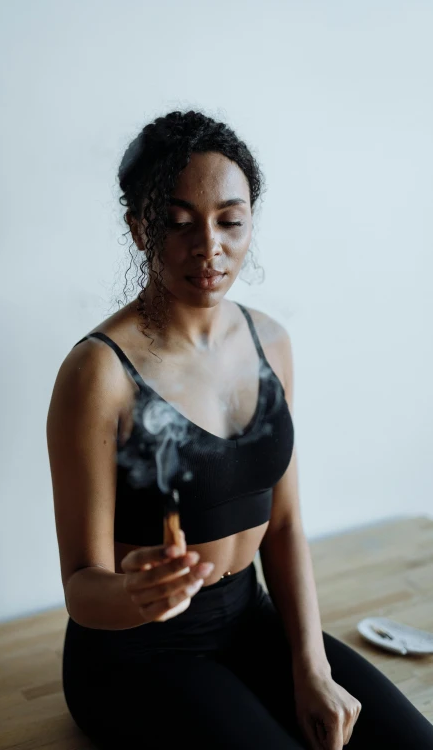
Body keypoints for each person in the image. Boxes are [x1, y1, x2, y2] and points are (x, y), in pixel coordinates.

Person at [46, 110, 433, 749]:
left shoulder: (270, 342)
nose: (209, 248)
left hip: (252, 621)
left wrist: (310, 667)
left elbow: (282, 526)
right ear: (140, 226)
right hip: (136, 654)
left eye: (230, 221)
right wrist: (140, 592)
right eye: (178, 222)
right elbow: (83, 590)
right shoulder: (98, 374)